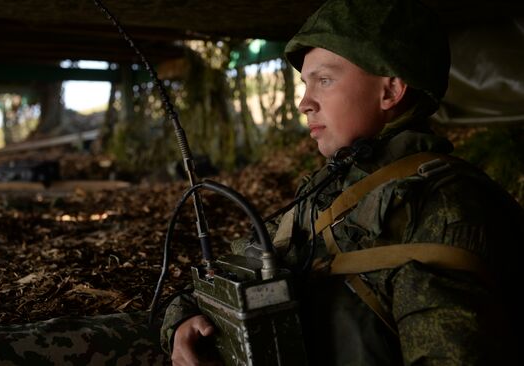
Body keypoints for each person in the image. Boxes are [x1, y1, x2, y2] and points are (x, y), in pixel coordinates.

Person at [162, 0, 523, 365]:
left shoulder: (437, 206)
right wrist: (182, 321)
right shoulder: (332, 185)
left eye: (325, 80)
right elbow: (230, 267)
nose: (305, 103)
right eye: (305, 84)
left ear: (390, 91)